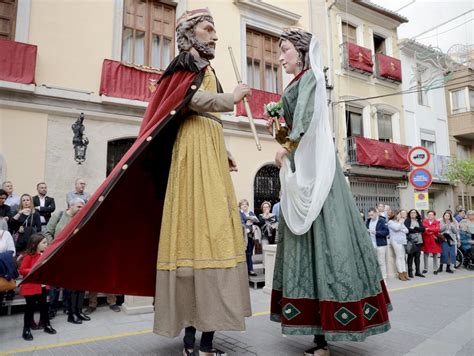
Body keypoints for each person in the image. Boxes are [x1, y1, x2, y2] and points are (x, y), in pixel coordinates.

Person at [24, 8, 252, 356]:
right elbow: (189, 101)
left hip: (208, 147)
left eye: (215, 30)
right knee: (194, 228)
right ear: (190, 34)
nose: (215, 36)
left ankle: (201, 340)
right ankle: (194, 341)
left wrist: (223, 150)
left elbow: (205, 113)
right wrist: (231, 98)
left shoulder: (206, 67)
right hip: (191, 151)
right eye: (209, 29)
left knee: (213, 231)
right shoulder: (183, 65)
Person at [267, 28, 391, 354]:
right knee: (309, 246)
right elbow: (293, 132)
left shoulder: (310, 78)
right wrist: (280, 132)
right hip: (304, 166)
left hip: (318, 170)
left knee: (325, 244)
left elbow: (305, 119)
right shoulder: (297, 83)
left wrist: (287, 143)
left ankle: (326, 334)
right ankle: (319, 334)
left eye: (284, 50)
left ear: (301, 51)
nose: (280, 58)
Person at [45, 198, 88, 323]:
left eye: (83, 207)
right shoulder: (58, 215)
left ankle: (78, 311)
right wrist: (53, 246)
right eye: (79, 206)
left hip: (77, 256)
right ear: (70, 205)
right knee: (61, 286)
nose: (81, 209)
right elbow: (48, 232)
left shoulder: (82, 218)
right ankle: (63, 312)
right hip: (59, 255)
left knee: (79, 285)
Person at [19, 233, 56, 341]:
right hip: (31, 287)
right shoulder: (28, 256)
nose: (46, 244)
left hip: (43, 286)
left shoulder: (44, 254)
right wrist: (35, 268)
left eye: (46, 242)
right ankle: (26, 330)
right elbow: (22, 270)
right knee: (29, 309)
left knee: (44, 307)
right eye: (44, 242)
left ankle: (47, 325)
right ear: (35, 244)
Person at [366, 208, 390, 280]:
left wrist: (376, 232)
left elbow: (386, 232)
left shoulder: (382, 221)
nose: (371, 216)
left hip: (380, 244)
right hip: (371, 244)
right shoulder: (368, 221)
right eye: (369, 215)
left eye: (372, 215)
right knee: (373, 262)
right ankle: (375, 277)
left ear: (376, 213)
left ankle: (383, 278)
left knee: (381, 262)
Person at [239, 198, 259, 276]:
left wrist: (251, 223)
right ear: (240, 206)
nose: (245, 206)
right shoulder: (239, 213)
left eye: (246, 204)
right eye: (243, 205)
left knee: (249, 253)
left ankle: (250, 269)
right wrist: (247, 225)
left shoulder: (250, 213)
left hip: (251, 236)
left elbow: (256, 220)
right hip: (243, 236)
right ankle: (245, 271)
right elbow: (241, 223)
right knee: (244, 253)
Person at [388, 210, 409, 281]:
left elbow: (407, 230)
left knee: (403, 257)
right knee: (399, 256)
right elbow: (396, 228)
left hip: (402, 240)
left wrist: (400, 228)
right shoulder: (390, 222)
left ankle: (404, 272)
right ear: (395, 215)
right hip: (395, 240)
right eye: (399, 214)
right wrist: (400, 225)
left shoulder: (399, 222)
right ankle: (400, 273)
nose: (400, 216)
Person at [404, 209, 425, 278]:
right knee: (410, 257)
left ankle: (417, 271)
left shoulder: (418, 221)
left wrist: (415, 228)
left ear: (416, 214)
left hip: (419, 241)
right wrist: (417, 230)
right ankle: (410, 271)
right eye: (411, 213)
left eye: (414, 213)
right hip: (411, 241)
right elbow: (407, 229)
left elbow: (423, 229)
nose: (413, 214)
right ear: (409, 214)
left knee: (417, 257)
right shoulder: (407, 220)